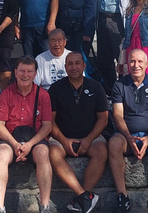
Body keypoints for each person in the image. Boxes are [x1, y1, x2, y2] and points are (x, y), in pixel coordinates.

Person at [109, 49, 148, 213]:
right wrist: (128, 136)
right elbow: (117, 115)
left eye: (139, 62)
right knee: (114, 143)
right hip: (126, 135)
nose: (135, 65)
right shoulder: (119, 85)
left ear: (146, 64)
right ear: (127, 64)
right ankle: (122, 196)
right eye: (132, 61)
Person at [47, 52, 109, 213]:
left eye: (77, 63)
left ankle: (82, 198)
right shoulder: (55, 88)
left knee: (102, 151)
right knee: (52, 153)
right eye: (70, 64)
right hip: (62, 138)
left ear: (84, 66)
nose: (74, 67)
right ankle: (83, 195)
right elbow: (50, 121)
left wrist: (89, 139)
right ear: (65, 67)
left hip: (91, 137)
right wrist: (63, 140)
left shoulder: (96, 86)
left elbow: (103, 119)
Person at [0, 56, 54, 213]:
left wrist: (30, 145)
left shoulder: (43, 95)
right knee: (1, 154)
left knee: (43, 153)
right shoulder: (6, 94)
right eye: (22, 71)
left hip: (35, 138)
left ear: (35, 74)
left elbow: (47, 126)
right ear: (15, 72)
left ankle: (45, 206)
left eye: (29, 71)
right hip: (11, 137)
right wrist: (15, 144)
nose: (25, 75)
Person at [95, 0, 139, 94]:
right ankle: (110, 90)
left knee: (120, 55)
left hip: (118, 20)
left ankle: (125, 88)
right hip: (102, 18)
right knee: (104, 57)